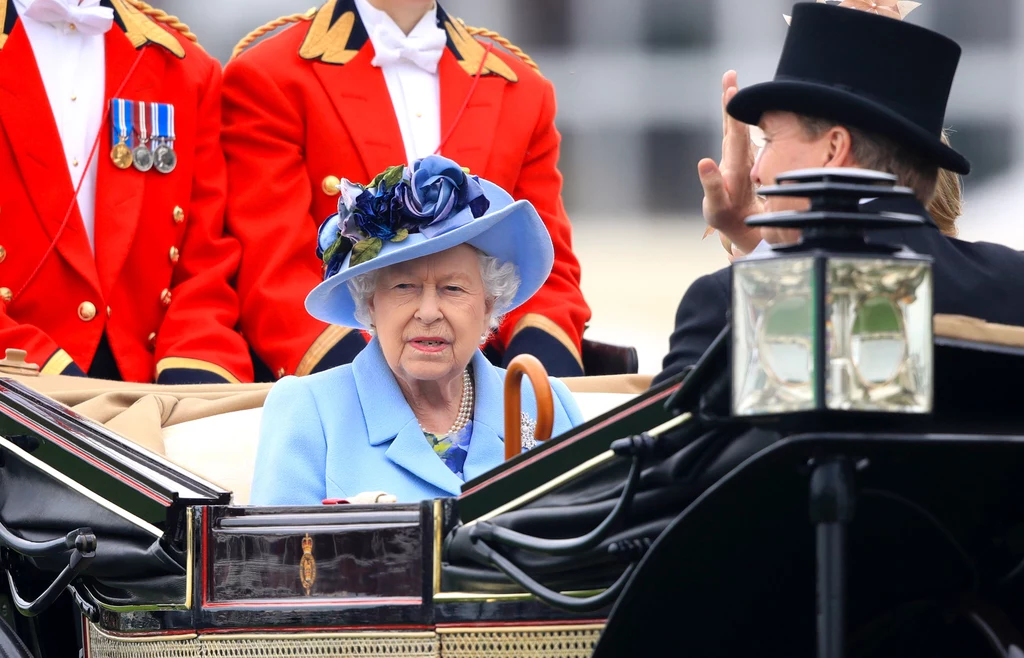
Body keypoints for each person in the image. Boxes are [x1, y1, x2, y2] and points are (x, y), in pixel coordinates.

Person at [655, 1, 1024, 386]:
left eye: (770, 140)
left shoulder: (731, 305)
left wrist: (766, 256)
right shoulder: (1014, 286)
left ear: (834, 150)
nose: (756, 170)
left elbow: (659, 443)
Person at [222, 0, 591, 382]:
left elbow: (544, 270)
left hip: (490, 389)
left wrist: (533, 397)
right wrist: (369, 390)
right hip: (339, 386)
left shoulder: (520, 88)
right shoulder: (270, 76)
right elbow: (275, 274)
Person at [250, 155, 584, 505]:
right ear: (370, 305)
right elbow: (273, 556)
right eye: (403, 287)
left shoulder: (545, 402)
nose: (427, 313)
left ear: (488, 304)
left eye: (452, 289)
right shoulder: (309, 411)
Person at [0, 0, 251, 383]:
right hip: (19, 377)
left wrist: (194, 375)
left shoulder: (182, 67)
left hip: (146, 384)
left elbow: (203, 262)